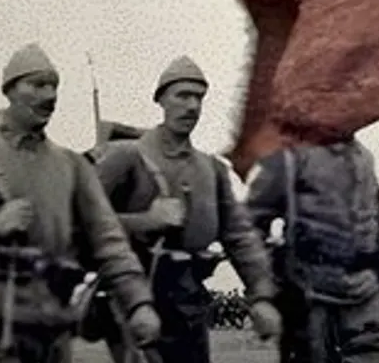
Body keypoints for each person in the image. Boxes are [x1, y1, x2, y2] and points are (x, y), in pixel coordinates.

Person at [0, 43, 162, 363]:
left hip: (50, 322)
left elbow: (109, 242)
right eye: (38, 84)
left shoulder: (71, 166)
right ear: (9, 89)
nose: (49, 95)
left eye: (54, 86)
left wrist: (138, 302)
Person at [93, 55, 282, 363]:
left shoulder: (211, 170)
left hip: (189, 298)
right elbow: (84, 224)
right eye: (182, 96)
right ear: (161, 99)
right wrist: (146, 221)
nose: (192, 106)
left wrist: (261, 295)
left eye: (198, 97)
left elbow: (240, 237)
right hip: (135, 295)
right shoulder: (126, 157)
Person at [246, 133, 379, 363]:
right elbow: (250, 227)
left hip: (362, 293)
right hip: (309, 296)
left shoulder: (362, 160)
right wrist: (270, 282)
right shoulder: (289, 158)